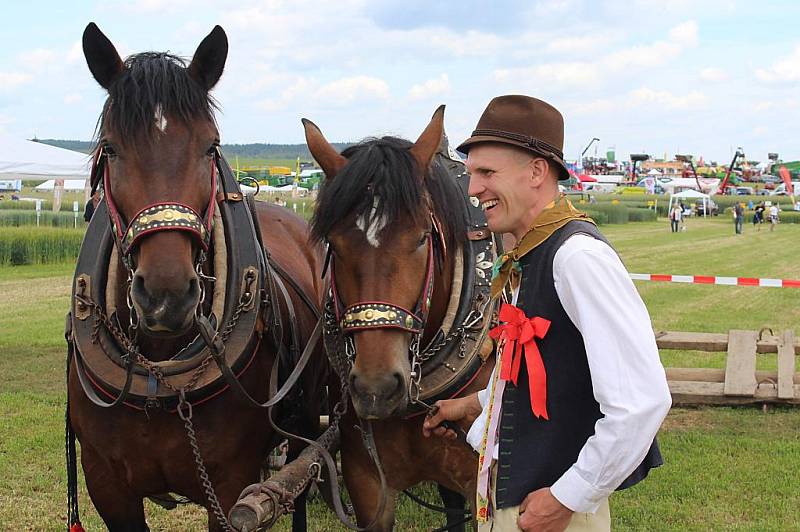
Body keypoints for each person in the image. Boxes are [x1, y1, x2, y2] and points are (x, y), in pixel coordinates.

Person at [423, 95, 671, 532]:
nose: (472, 189)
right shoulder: (532, 252)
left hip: (552, 512)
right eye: (471, 173)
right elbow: (555, 375)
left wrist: (566, 498)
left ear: (537, 171)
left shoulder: (577, 258)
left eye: (487, 173)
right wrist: (475, 405)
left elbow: (640, 402)